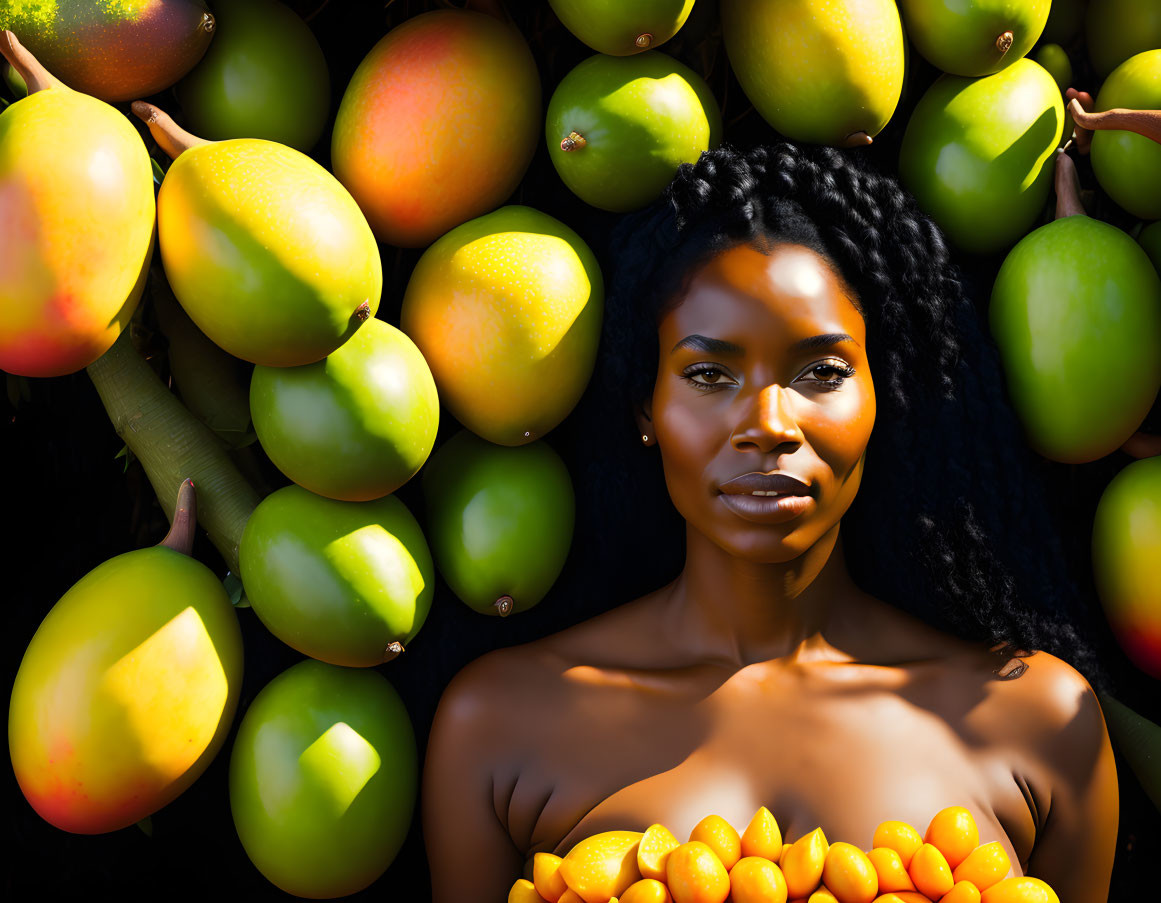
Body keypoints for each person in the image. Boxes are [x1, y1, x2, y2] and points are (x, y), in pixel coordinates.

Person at [421, 142, 1119, 902]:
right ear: (645, 409)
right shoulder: (496, 725)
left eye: (820, 372)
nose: (767, 423)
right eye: (708, 374)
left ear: (882, 398)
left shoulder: (1040, 721)